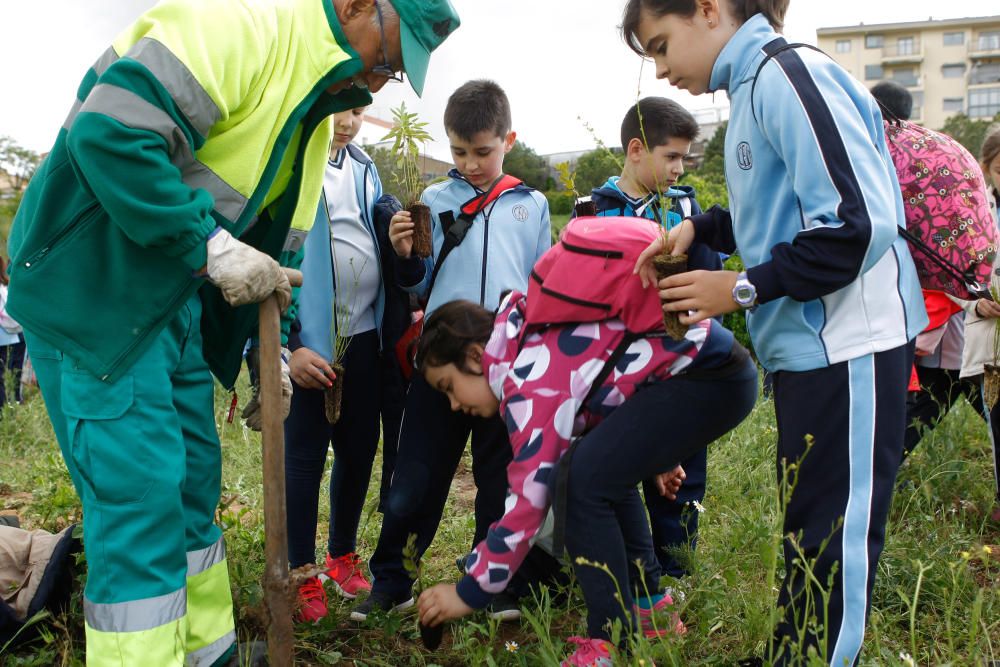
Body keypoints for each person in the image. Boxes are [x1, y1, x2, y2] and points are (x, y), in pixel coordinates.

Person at [4, 0, 459, 663]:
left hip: (173, 309)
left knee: (191, 497)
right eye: (386, 60)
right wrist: (209, 247)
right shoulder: (239, 26)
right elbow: (110, 132)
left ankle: (206, 653)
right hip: (98, 296)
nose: (380, 82)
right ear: (359, 4)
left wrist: (266, 347)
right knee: (142, 506)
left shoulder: (310, 116)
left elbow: (275, 263)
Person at [623, 1, 927, 665]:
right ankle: (798, 652)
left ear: (707, 10)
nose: (661, 68)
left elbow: (858, 225)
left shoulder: (789, 75)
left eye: (661, 44)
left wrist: (735, 288)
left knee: (833, 535)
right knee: (808, 525)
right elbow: (776, 204)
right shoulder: (754, 85)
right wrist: (701, 229)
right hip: (810, 347)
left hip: (849, 341)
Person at [414, 290, 757, 665]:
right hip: (707, 368)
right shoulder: (528, 339)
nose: (453, 405)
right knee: (592, 471)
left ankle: (608, 641)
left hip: (706, 377)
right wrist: (653, 451)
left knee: (579, 481)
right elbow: (608, 377)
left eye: (449, 386)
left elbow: (528, 502)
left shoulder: (526, 383)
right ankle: (648, 608)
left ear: (476, 357)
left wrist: (468, 592)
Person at [351, 79, 553, 622]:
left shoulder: (530, 205)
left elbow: (542, 284)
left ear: (507, 139)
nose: (471, 163)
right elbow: (414, 282)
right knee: (413, 479)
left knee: (500, 481)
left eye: (483, 151)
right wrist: (402, 254)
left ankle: (489, 585)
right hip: (440, 366)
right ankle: (392, 579)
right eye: (459, 152)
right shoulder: (436, 201)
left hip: (505, 371)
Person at [281, 105, 411, 622]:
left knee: (358, 453)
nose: (349, 121)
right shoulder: (293, 166)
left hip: (364, 340)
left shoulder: (364, 168)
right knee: (304, 462)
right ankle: (301, 574)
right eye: (341, 109)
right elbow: (274, 256)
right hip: (312, 344)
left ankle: (341, 556)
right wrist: (290, 347)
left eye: (359, 111)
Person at [587, 97, 721, 583]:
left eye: (685, 158)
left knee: (682, 474)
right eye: (672, 156)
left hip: (682, 363)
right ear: (637, 149)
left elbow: (711, 278)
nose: (679, 168)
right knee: (621, 466)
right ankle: (626, 570)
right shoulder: (594, 210)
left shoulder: (687, 208)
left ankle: (675, 571)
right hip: (620, 367)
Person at [956, 125, 1000, 522]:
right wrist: (974, 302)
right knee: (997, 424)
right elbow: (952, 272)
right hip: (990, 343)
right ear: (986, 168)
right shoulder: (974, 211)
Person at [0, 256, 26, 411]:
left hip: (10, 335)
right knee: (13, 370)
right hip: (13, 334)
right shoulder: (6, 286)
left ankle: (10, 404)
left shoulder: (6, 287)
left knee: (6, 373)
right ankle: (14, 400)